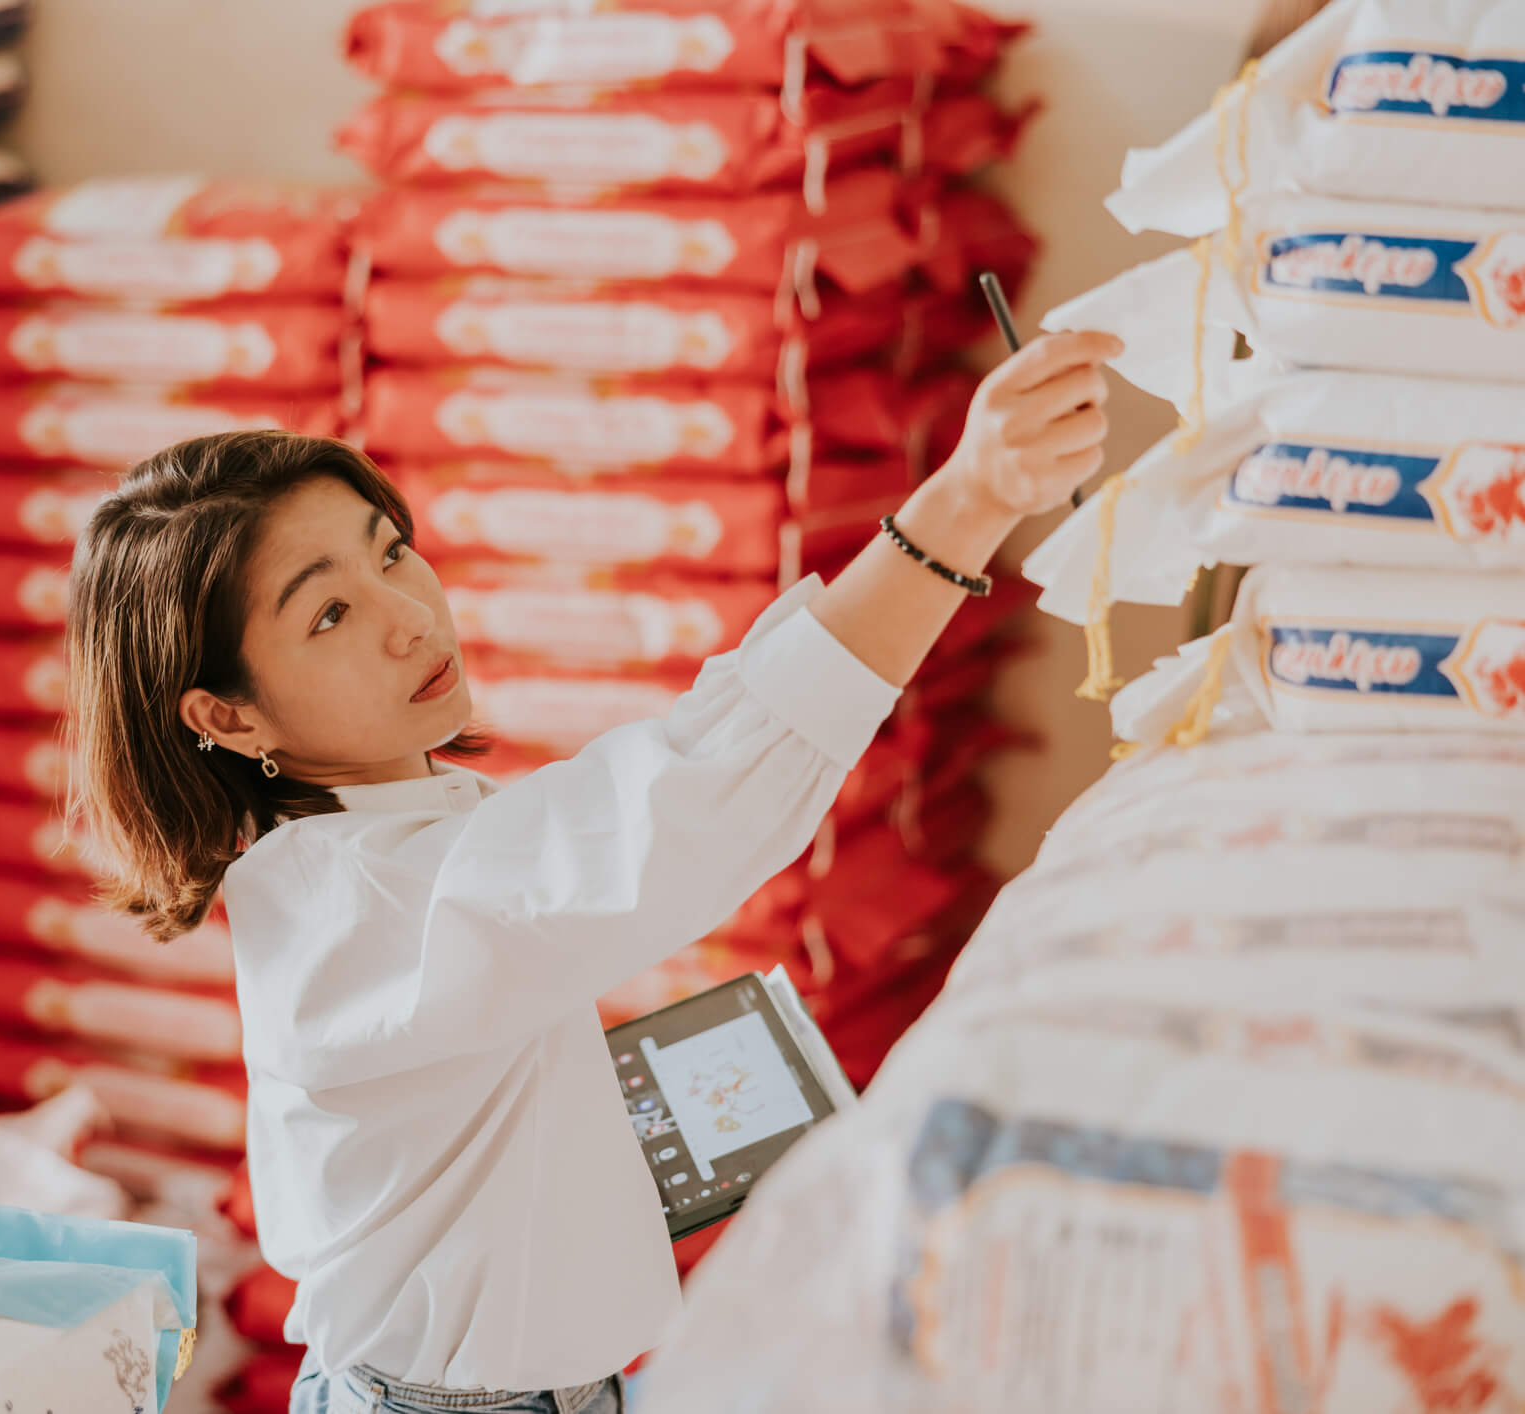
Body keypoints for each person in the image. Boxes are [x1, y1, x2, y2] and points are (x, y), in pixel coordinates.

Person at [65, 330, 1123, 1414]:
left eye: (389, 551)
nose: (408, 616)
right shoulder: (364, 901)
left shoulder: (403, 835)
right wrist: (966, 501)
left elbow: (685, 767)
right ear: (225, 714)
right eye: (328, 612)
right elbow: (681, 804)